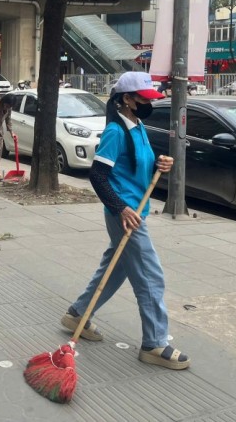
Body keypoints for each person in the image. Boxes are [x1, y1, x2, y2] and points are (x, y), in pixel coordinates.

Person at [61, 72, 188, 370]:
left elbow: (134, 164)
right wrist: (120, 208)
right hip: (125, 215)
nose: (149, 104)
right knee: (150, 276)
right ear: (127, 100)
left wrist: (160, 164)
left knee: (116, 269)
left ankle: (78, 314)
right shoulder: (116, 132)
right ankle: (154, 344)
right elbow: (98, 175)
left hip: (134, 211)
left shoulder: (137, 125)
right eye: (145, 99)